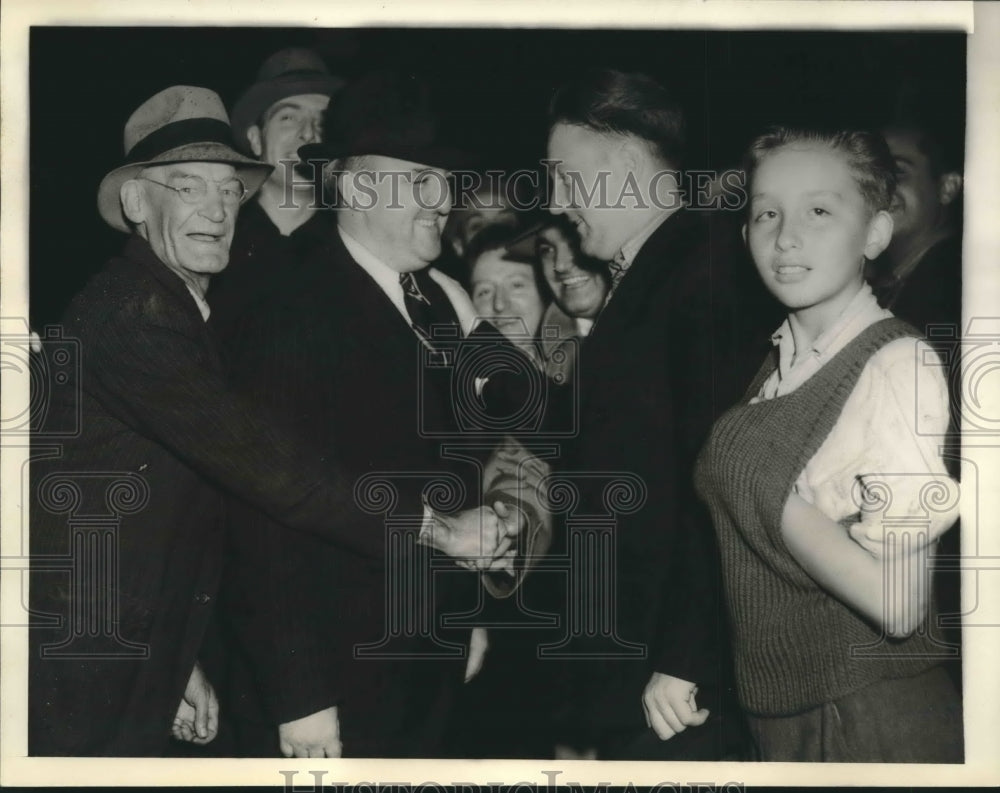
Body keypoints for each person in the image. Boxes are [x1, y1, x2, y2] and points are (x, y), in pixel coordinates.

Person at [28, 86, 514, 757]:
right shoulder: (133, 317)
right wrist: (439, 530)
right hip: (80, 660)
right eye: (188, 186)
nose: (217, 209)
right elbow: (273, 473)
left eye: (230, 191)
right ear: (138, 202)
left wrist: (181, 656)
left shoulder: (183, 307)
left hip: (139, 645)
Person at [220, 71, 551, 759]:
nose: (444, 203)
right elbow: (263, 520)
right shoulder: (289, 308)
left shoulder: (436, 297)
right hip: (333, 685)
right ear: (358, 187)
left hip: (428, 658)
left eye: (445, 183)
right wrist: (301, 699)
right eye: (421, 184)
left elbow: (539, 418)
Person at [694, 126, 963, 762]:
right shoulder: (780, 361)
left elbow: (900, 605)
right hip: (787, 715)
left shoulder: (896, 364)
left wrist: (772, 495)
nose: (785, 236)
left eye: (819, 210)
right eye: (766, 213)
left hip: (866, 720)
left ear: (875, 231)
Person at [542, 68, 772, 760]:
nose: (554, 199)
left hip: (675, 686)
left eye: (562, 174)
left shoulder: (705, 276)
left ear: (624, 162)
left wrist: (686, 655)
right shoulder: (660, 271)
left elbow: (721, 481)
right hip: (637, 668)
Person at [208, 47, 344, 342]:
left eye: (323, 121)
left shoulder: (358, 246)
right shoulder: (215, 240)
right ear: (256, 140)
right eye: (288, 118)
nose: (309, 135)